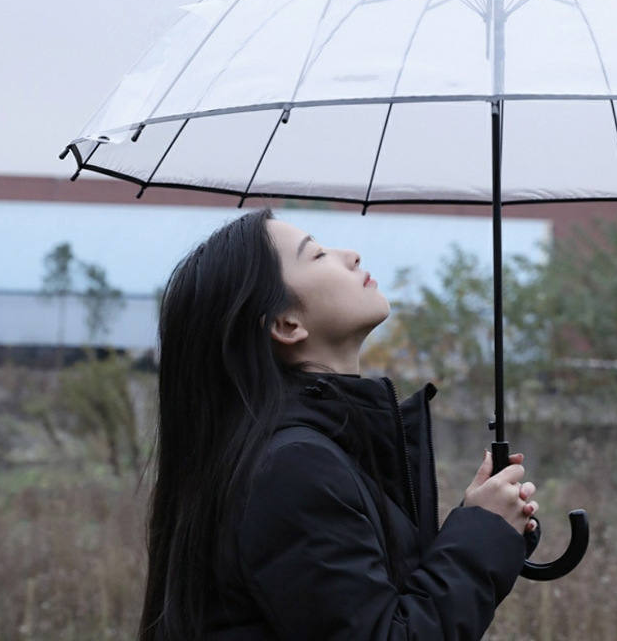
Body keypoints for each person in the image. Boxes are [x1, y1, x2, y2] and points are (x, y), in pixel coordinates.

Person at [139, 209, 540, 641]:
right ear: (286, 324)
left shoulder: (313, 454)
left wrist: (482, 524)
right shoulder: (292, 469)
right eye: (316, 254)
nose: (350, 255)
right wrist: (481, 535)